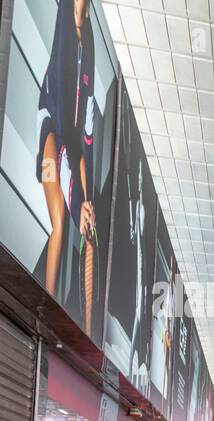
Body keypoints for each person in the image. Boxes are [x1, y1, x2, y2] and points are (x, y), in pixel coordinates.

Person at [37, 0, 99, 334]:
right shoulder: (64, 19)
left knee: (88, 231)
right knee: (59, 220)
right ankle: (45, 307)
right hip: (50, 126)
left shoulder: (88, 46)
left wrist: (87, 200)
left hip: (71, 145)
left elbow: (85, 143)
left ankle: (90, 334)